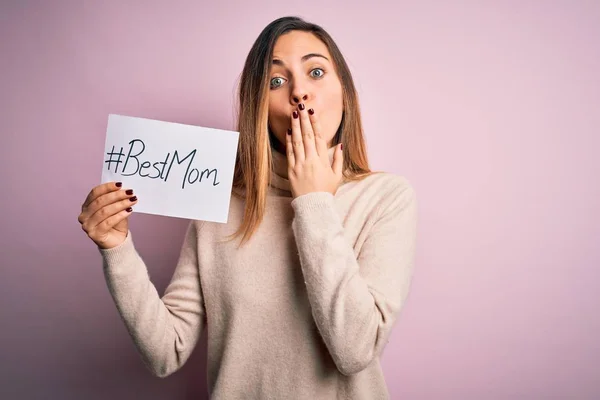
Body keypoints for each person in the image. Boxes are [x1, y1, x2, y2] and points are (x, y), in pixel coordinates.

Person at [78, 16, 418, 399]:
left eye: (317, 71)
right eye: (277, 80)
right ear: (260, 106)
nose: (299, 92)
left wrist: (314, 202)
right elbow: (165, 352)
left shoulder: (387, 197)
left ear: (344, 92)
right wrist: (115, 248)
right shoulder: (219, 205)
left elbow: (355, 351)